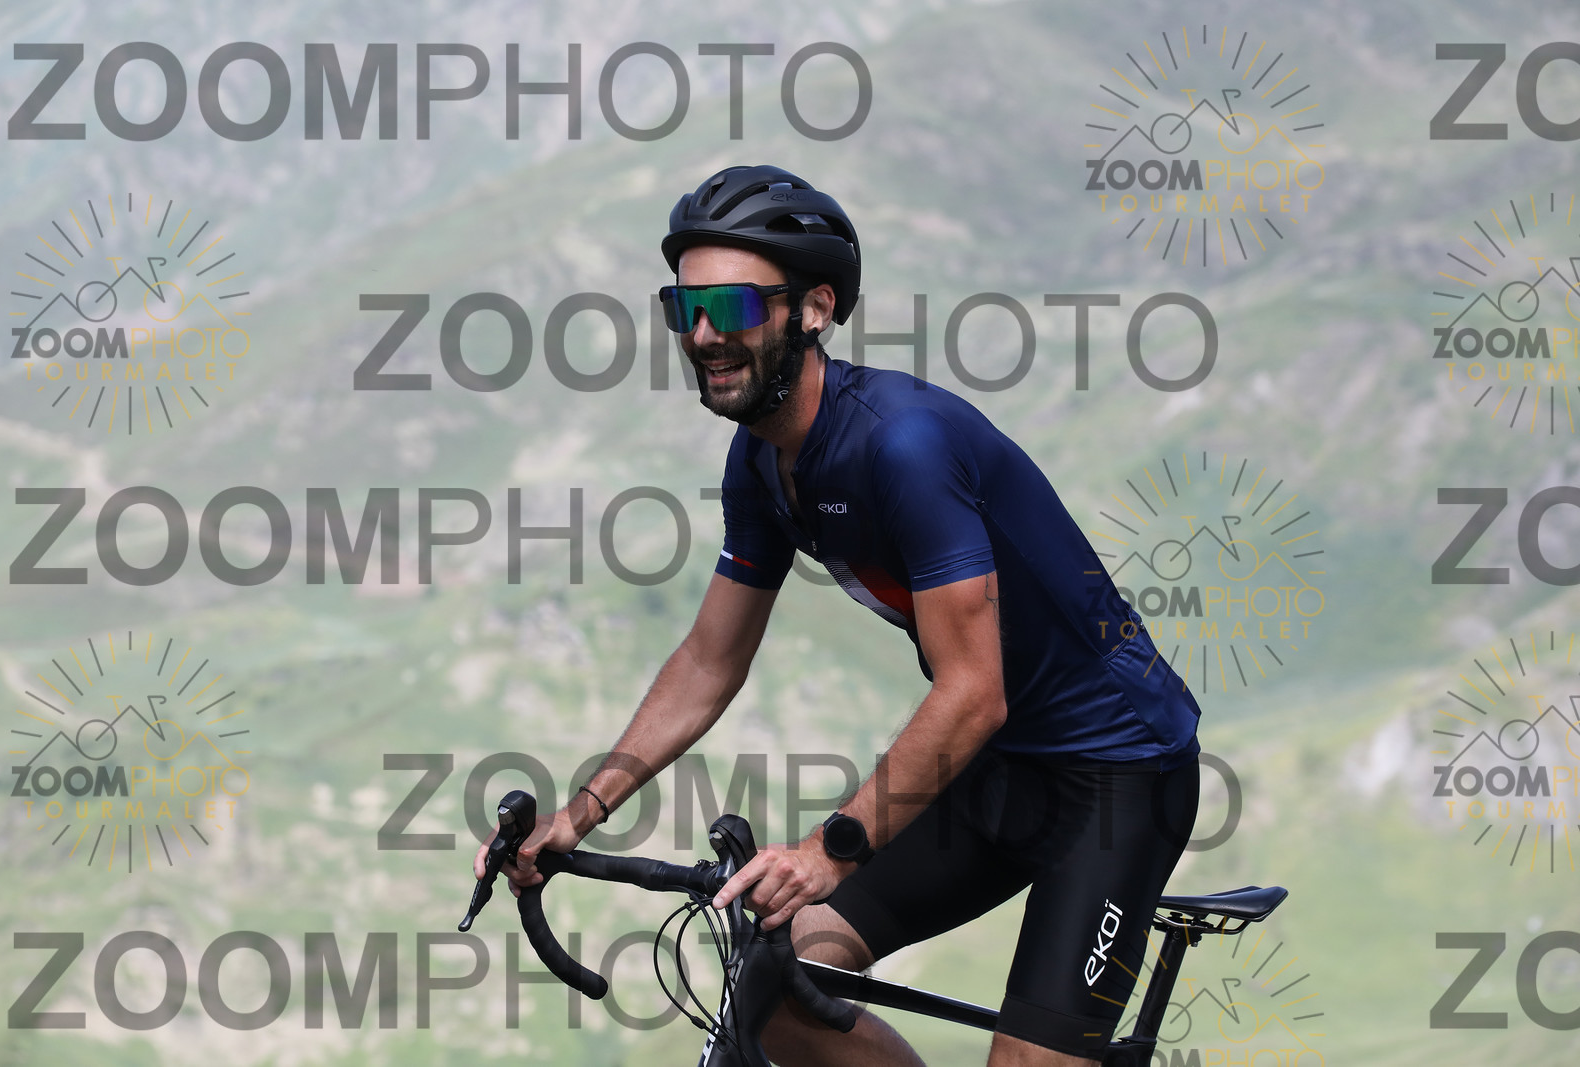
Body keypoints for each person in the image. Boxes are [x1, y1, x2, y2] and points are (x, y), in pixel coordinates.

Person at [477, 164, 1202, 1066]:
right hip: (997, 767)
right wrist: (579, 815)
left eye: (733, 307)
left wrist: (831, 848)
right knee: (777, 990)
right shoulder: (759, 462)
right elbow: (708, 661)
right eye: (684, 308)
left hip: (1118, 774)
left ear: (814, 309)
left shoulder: (903, 446)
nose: (704, 335)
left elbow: (973, 692)